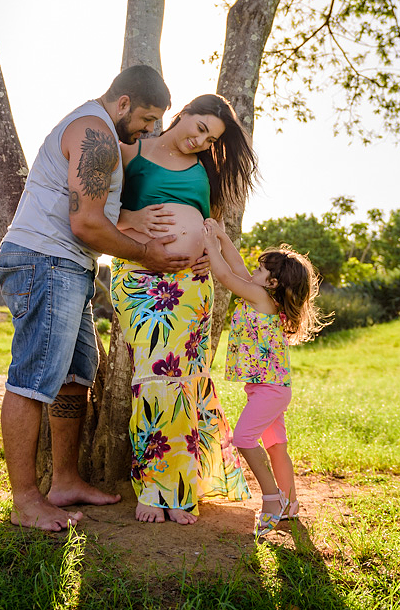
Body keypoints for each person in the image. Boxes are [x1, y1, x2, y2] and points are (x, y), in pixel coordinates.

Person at [0, 64, 194, 532]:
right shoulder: (96, 134)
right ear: (123, 102)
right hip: (46, 260)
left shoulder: (102, 135)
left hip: (71, 266)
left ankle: (64, 481)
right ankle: (25, 500)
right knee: (34, 376)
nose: (149, 129)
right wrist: (149, 254)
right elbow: (85, 223)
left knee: (75, 373)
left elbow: (93, 210)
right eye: (147, 119)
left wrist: (128, 216)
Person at [113, 93, 258, 524]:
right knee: (155, 375)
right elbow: (96, 211)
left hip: (193, 286)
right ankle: (156, 484)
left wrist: (207, 249)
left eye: (210, 138)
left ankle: (182, 487)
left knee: (187, 380)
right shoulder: (130, 151)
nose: (200, 141)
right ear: (183, 114)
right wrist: (132, 218)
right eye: (199, 128)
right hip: (140, 279)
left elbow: (209, 222)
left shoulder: (205, 170)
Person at [201, 228, 325, 537]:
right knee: (275, 446)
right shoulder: (264, 294)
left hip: (269, 392)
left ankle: (272, 499)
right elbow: (239, 270)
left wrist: (208, 244)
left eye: (260, 270)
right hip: (271, 389)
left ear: (271, 283)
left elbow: (227, 276)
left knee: (243, 439)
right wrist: (223, 239)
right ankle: (291, 505)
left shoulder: (260, 297)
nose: (253, 272)